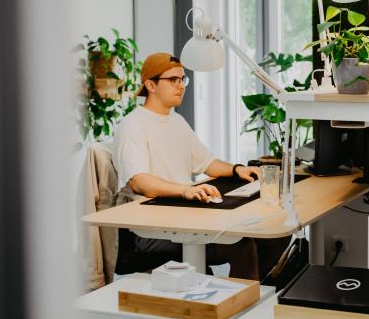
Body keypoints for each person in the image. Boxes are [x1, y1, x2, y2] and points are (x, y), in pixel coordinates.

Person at [112, 52, 269, 278]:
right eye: (173, 80)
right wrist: (186, 190)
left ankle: (245, 296)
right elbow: (140, 182)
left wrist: (236, 169)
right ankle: (239, 306)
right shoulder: (133, 125)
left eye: (182, 79)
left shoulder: (177, 121)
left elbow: (206, 163)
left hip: (184, 214)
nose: (181, 86)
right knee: (241, 246)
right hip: (150, 227)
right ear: (150, 85)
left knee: (268, 237)